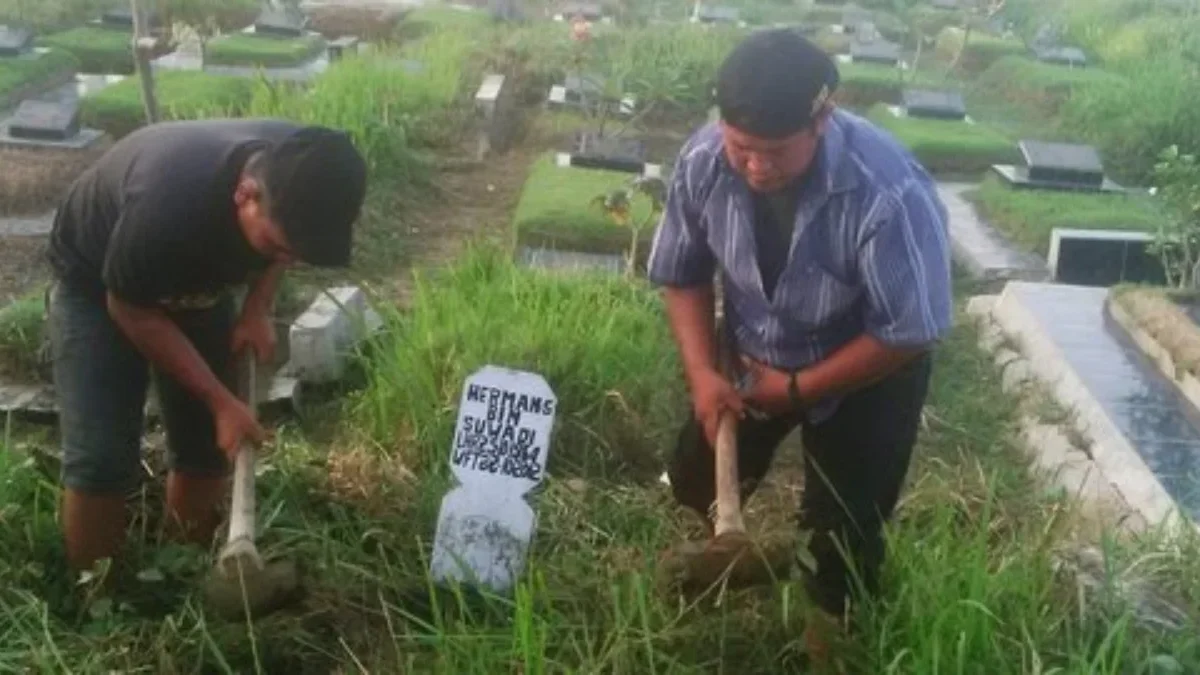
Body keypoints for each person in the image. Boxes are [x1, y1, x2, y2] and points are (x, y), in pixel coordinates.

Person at [647, 29, 952, 664]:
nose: (756, 166)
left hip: (869, 372)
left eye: (775, 152)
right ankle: (740, 556)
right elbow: (682, 272)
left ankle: (829, 638)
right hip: (755, 352)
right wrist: (704, 374)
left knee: (843, 534)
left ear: (823, 116)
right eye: (742, 148)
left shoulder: (887, 192)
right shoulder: (704, 162)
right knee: (694, 479)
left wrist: (796, 390)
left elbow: (909, 330)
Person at [45, 118, 368, 575]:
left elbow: (285, 248)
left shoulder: (307, 164)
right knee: (101, 457)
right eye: (277, 244)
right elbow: (131, 310)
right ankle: (98, 598)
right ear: (246, 193)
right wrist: (220, 400)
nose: (287, 258)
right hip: (99, 288)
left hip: (194, 281)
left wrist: (257, 306)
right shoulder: (168, 207)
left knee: (206, 447)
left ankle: (185, 569)